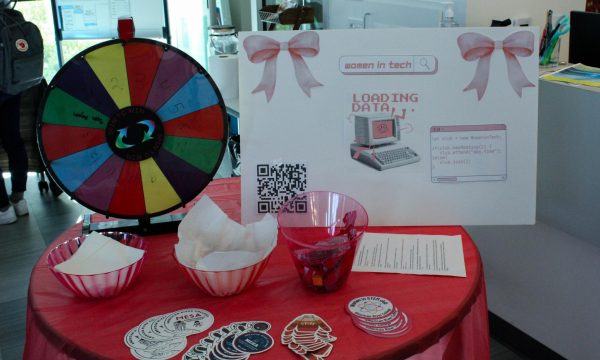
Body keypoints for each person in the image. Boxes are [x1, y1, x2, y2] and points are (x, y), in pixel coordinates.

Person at [0, 91, 28, 225]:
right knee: (14, 142)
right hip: (10, 85)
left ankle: (3, 208)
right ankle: (18, 199)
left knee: (14, 142)